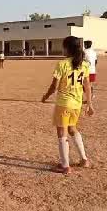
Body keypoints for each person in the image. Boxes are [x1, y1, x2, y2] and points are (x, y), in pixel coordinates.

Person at [41, 35, 94, 174]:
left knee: (62, 133)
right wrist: (89, 104)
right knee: (72, 129)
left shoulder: (62, 64)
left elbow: (54, 86)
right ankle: (84, 160)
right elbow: (87, 86)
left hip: (64, 104)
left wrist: (45, 97)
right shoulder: (84, 64)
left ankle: (65, 166)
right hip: (76, 104)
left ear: (67, 48)